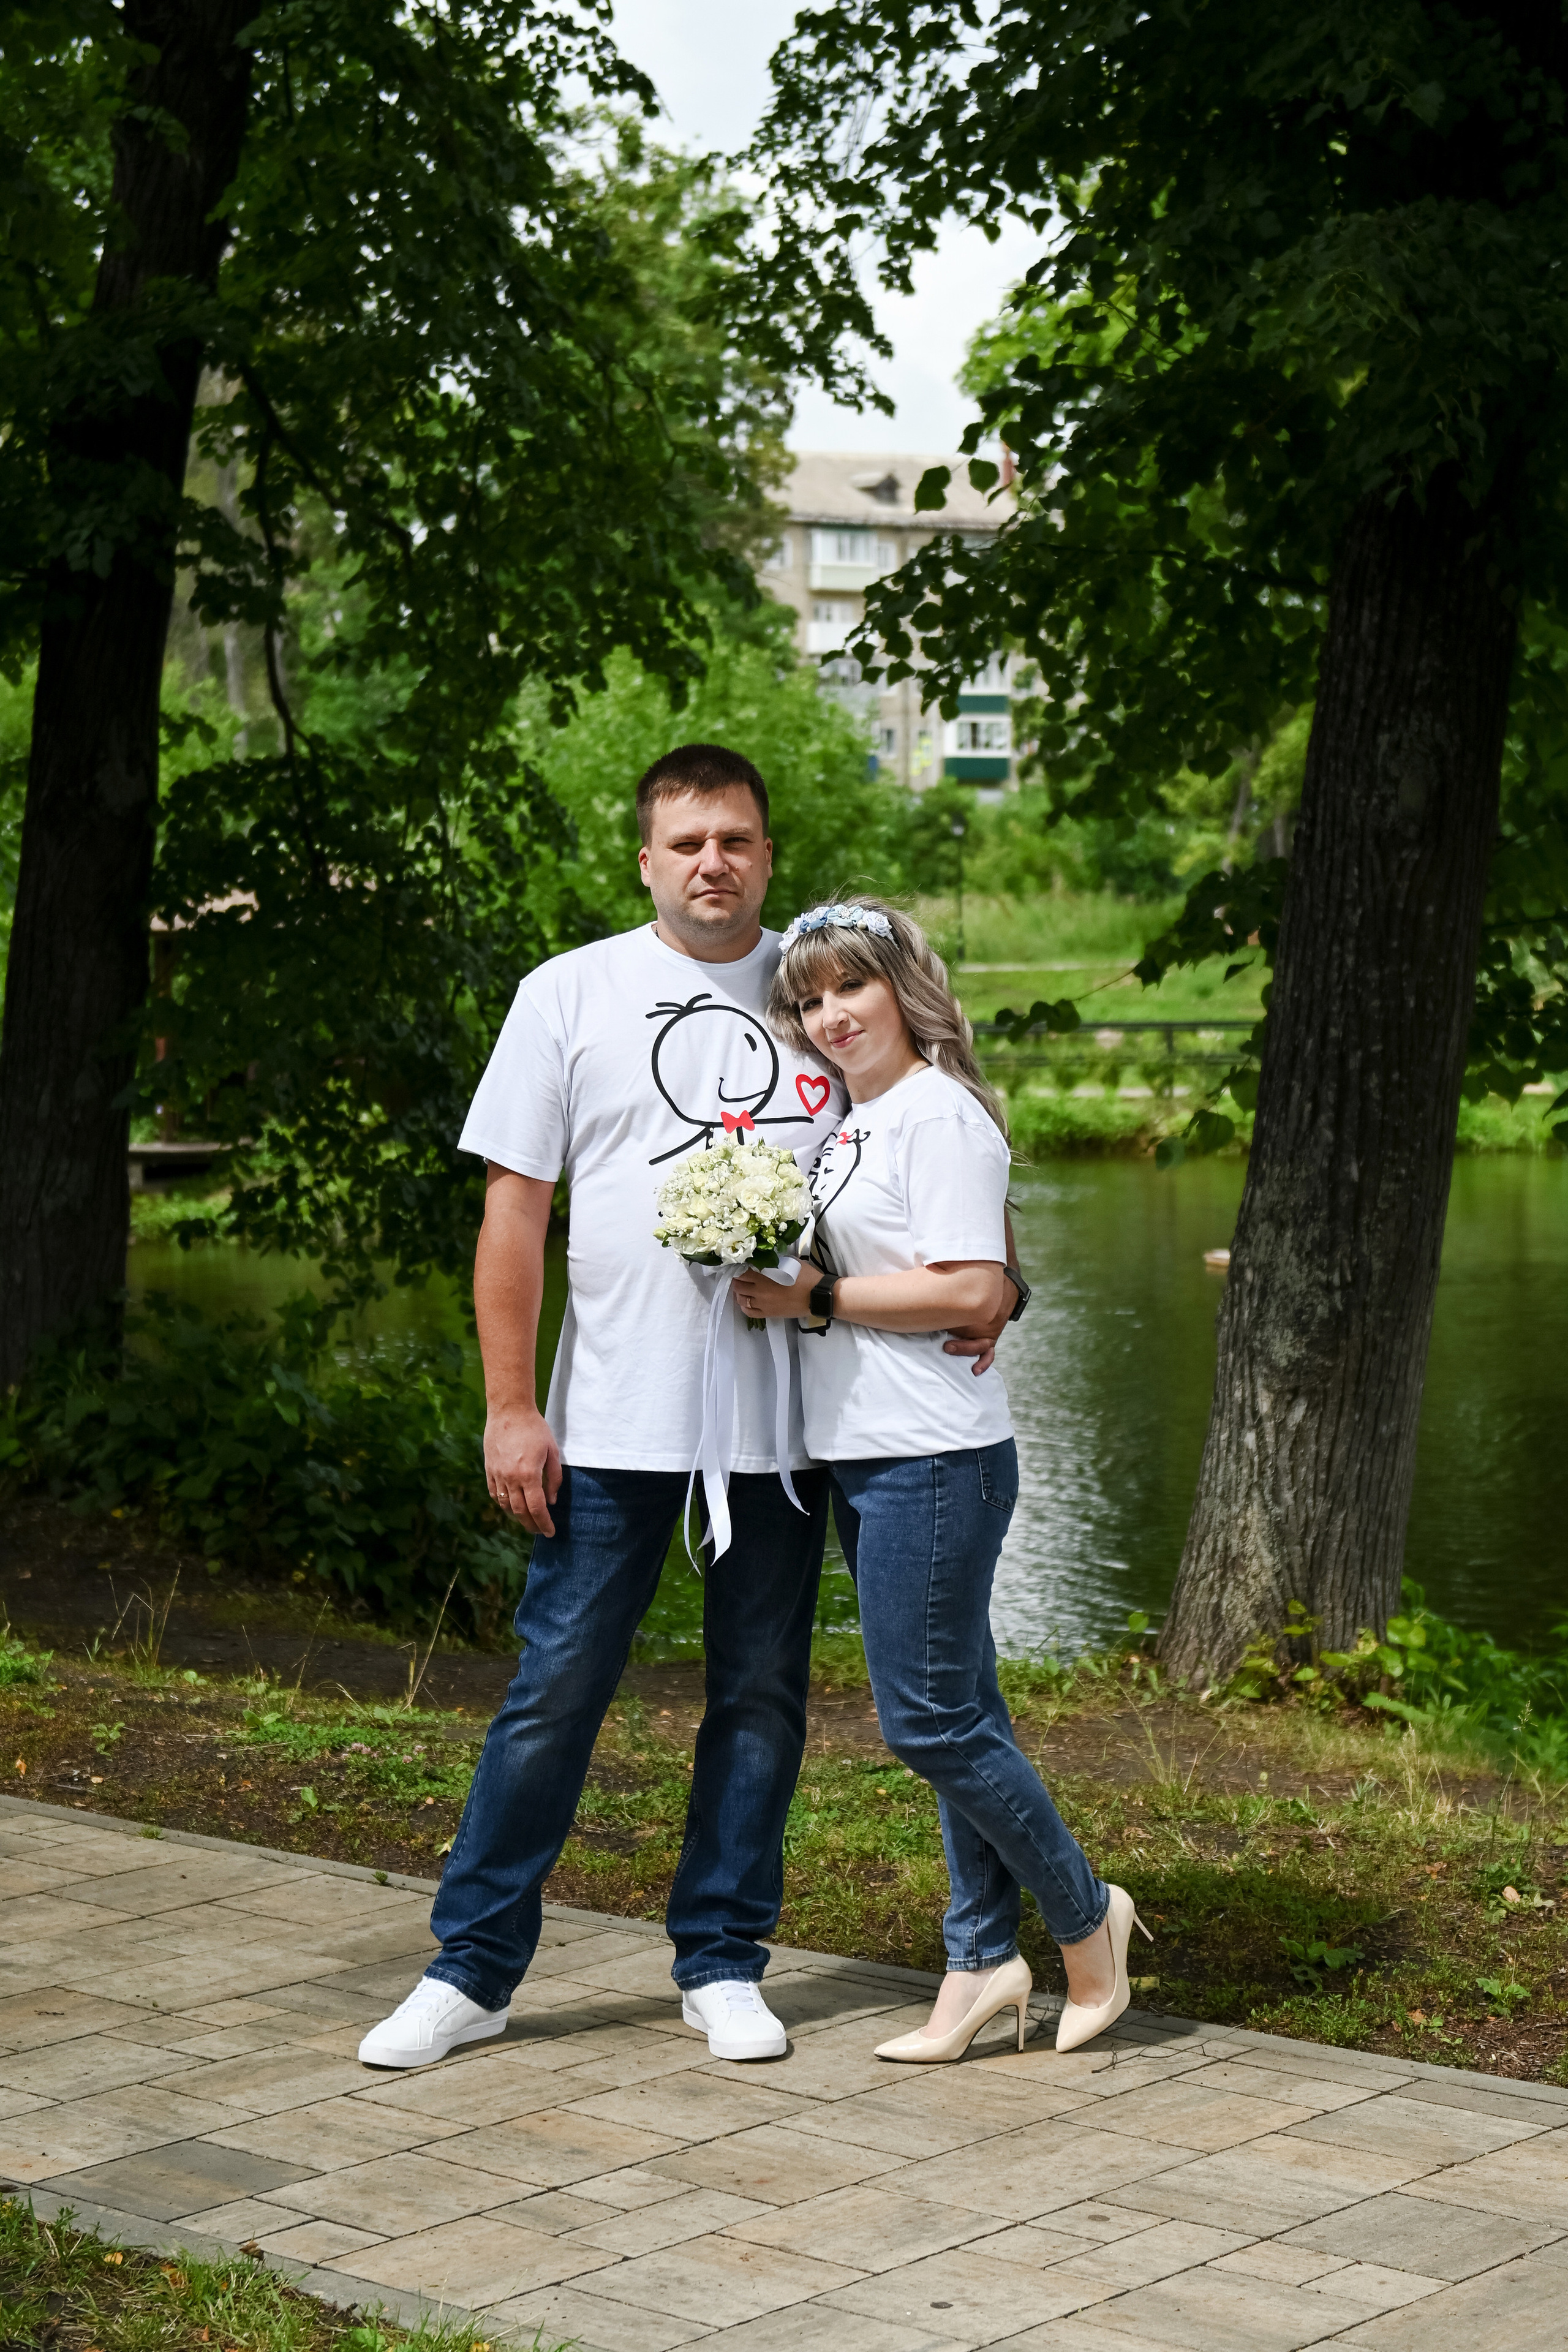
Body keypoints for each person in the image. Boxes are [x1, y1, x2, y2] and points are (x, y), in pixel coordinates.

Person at [358, 753, 1012, 2071]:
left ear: (766, 856)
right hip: (609, 1422)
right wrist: (507, 1406)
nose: (714, 861)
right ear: (648, 861)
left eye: (738, 839)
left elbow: (932, 1148)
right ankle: (470, 1972)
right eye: (689, 841)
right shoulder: (568, 992)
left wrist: (1000, 1283)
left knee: (760, 1696)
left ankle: (721, 1960)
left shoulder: (819, 995)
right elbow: (513, 1214)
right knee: (553, 1691)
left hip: (785, 1432)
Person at [734, 898, 1150, 2060]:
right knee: (964, 1712)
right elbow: (984, 1277)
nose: (830, 1015)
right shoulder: (857, 1123)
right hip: (867, 1453)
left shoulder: (938, 1114)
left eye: (850, 988)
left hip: (933, 1455)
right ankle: (978, 1962)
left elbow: (970, 1289)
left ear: (903, 990)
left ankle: (1087, 1918)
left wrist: (816, 1296)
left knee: (927, 1722)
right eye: (810, 999)